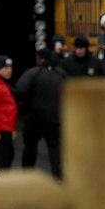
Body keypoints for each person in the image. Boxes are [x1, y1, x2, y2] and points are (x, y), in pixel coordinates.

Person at [15, 48, 69, 178]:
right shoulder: (61, 74)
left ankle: (27, 177)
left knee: (30, 150)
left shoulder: (32, 73)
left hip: (34, 120)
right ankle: (59, 180)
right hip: (55, 120)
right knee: (56, 152)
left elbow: (20, 90)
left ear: (40, 58)